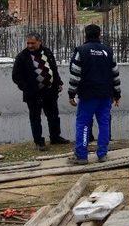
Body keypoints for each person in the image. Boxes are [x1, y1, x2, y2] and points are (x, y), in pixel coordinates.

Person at [68, 24, 121, 164]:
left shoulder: (81, 50)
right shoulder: (108, 51)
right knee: (104, 124)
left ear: (85, 34)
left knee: (83, 124)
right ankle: (102, 154)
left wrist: (71, 93)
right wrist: (117, 94)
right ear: (99, 35)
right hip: (105, 95)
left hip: (87, 95)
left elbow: (75, 74)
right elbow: (115, 74)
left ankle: (82, 156)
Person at [12, 32, 70, 151]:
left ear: (39, 42)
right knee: (35, 117)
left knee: (53, 115)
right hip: (33, 94)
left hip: (50, 91)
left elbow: (53, 69)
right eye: (28, 43)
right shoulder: (22, 56)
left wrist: (58, 82)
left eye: (32, 43)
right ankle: (39, 141)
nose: (30, 45)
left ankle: (55, 137)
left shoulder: (47, 52)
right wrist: (26, 87)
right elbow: (16, 76)